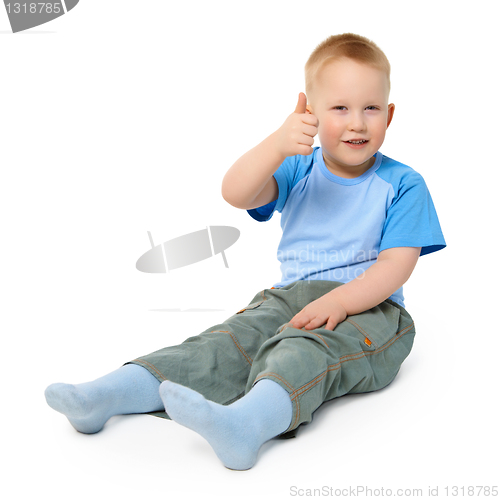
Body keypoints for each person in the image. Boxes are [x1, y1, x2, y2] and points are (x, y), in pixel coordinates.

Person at [45, 33, 446, 471]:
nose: (357, 123)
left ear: (389, 114)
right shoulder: (297, 166)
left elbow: (395, 267)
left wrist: (341, 300)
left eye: (371, 108)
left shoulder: (405, 184)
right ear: (309, 113)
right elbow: (235, 192)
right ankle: (104, 395)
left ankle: (247, 426)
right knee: (224, 343)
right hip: (291, 295)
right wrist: (277, 143)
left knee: (302, 350)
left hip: (373, 309)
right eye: (340, 108)